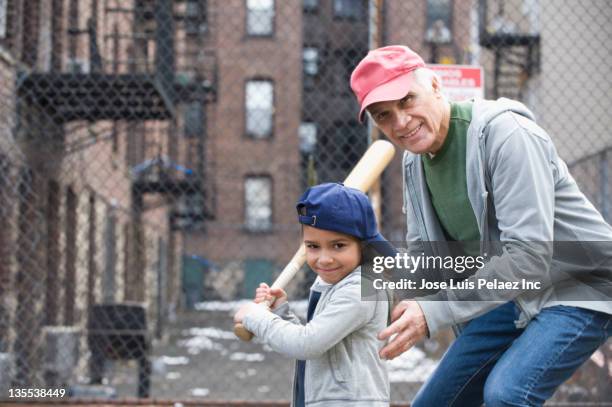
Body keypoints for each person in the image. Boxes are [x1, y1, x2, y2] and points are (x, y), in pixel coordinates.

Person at [350, 45, 612, 406]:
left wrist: (434, 311)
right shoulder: (415, 163)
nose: (400, 122)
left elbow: (529, 258)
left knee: (506, 394)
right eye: (384, 115)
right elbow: (431, 262)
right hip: (513, 293)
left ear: (436, 85)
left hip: (579, 283)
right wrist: (351, 281)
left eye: (407, 100)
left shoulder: (508, 135)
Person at [233, 182, 395, 407]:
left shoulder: (359, 290)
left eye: (338, 245)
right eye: (313, 246)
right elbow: (318, 340)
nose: (324, 258)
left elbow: (307, 344)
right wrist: (281, 312)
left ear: (363, 246)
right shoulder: (335, 282)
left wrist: (256, 317)